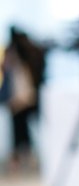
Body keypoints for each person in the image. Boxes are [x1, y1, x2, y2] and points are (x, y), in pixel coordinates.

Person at [1, 26, 46, 172]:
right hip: (18, 98)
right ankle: (21, 158)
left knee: (21, 129)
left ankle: (24, 157)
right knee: (19, 129)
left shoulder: (27, 53)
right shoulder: (24, 52)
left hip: (26, 97)